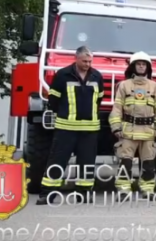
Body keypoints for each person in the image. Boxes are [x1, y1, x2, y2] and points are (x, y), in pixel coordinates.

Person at [36, 46, 104, 205]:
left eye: (90, 61)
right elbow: (54, 100)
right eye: (84, 61)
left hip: (89, 129)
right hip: (66, 128)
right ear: (76, 58)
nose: (87, 64)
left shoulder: (96, 76)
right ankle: (47, 194)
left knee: (86, 164)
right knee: (57, 161)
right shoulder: (62, 75)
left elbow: (99, 99)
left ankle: (84, 194)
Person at [108, 51, 156, 199]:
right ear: (133, 66)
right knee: (125, 162)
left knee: (148, 163)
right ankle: (123, 189)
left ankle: (147, 189)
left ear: (148, 67)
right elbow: (117, 108)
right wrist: (116, 127)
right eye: (138, 64)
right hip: (128, 130)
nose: (141, 67)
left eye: (144, 64)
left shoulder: (155, 86)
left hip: (149, 131)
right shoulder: (123, 85)